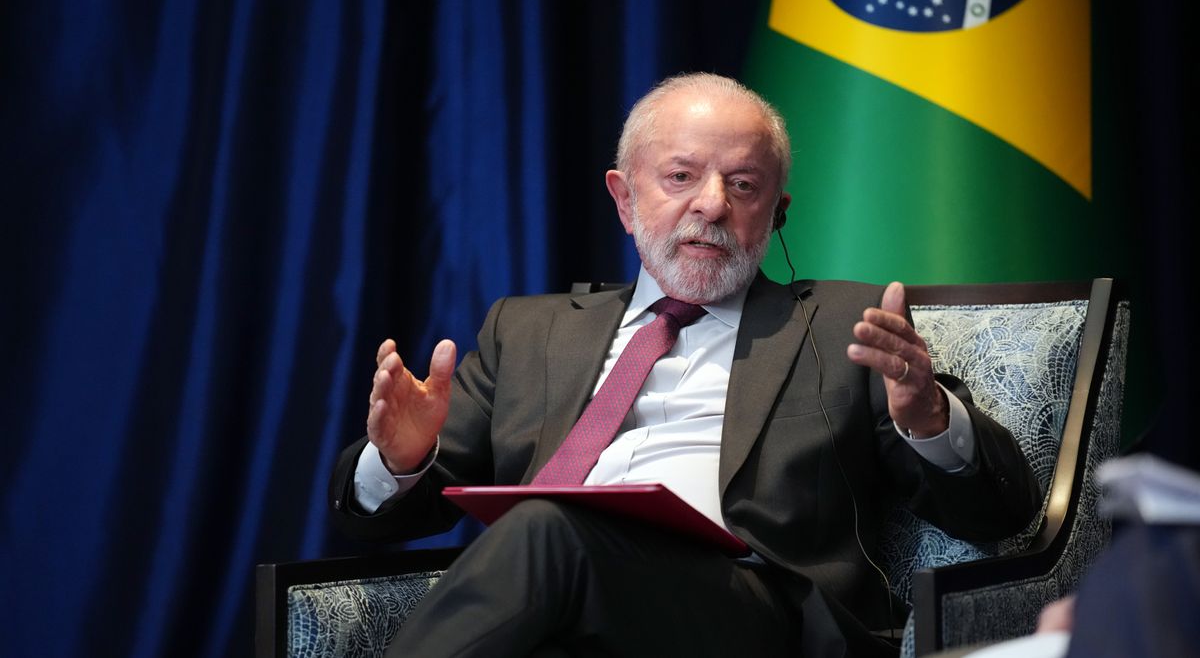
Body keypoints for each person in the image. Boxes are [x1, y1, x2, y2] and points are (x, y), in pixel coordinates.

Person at [329, 73, 1041, 657]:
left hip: (750, 615)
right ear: (625, 198)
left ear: (777, 213)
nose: (711, 204)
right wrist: (398, 460)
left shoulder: (841, 325)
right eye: (681, 176)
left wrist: (930, 420)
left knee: (547, 528)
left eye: (743, 185)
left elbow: (1001, 513)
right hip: (565, 605)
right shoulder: (528, 330)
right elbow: (379, 522)